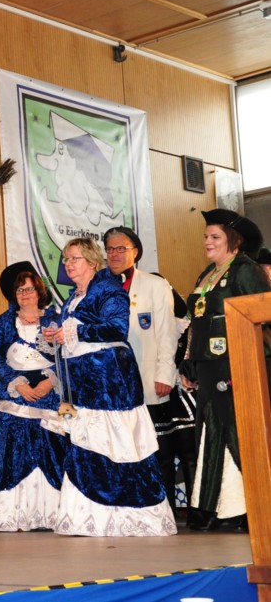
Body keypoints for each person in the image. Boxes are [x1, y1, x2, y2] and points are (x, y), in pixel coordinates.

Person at [43, 237, 175, 536]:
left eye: (74, 258)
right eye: (66, 259)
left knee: (119, 445)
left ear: (92, 262)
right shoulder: (73, 297)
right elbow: (75, 333)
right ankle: (88, 517)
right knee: (87, 445)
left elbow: (117, 328)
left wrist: (75, 331)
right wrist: (59, 334)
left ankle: (130, 516)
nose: (68, 264)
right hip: (84, 384)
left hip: (110, 383)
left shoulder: (108, 289)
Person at [179, 209, 270, 532]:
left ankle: (252, 506)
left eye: (215, 237)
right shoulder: (206, 274)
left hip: (240, 363)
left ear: (234, 240)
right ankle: (212, 505)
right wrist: (188, 362)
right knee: (209, 429)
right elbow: (195, 324)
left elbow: (264, 314)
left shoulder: (246, 270)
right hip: (208, 366)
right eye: (206, 237)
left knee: (239, 430)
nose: (207, 242)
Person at [102, 227, 188, 512]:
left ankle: (163, 508)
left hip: (148, 380)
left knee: (157, 449)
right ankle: (128, 508)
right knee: (120, 448)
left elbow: (166, 333)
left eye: (121, 248)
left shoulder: (154, 284)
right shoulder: (100, 286)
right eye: (110, 249)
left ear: (135, 252)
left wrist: (165, 374)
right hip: (112, 385)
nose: (114, 254)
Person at [0, 262, 65, 531]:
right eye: (20, 290)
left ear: (39, 291)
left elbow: (67, 355)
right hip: (15, 396)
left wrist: (51, 381)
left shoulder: (55, 319)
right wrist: (18, 384)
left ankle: (52, 516)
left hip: (48, 393)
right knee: (14, 453)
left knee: (51, 450)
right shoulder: (3, 321)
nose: (25, 294)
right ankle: (17, 517)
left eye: (29, 289)